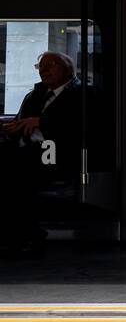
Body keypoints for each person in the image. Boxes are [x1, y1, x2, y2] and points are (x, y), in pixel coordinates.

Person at [0, 51, 82, 254]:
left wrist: (42, 122)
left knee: (15, 171)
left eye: (50, 65)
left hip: (58, 151)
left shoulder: (82, 93)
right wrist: (13, 129)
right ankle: (22, 232)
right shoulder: (34, 95)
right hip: (27, 148)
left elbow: (81, 127)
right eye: (40, 66)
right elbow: (21, 121)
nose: (44, 70)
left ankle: (19, 235)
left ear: (67, 69)